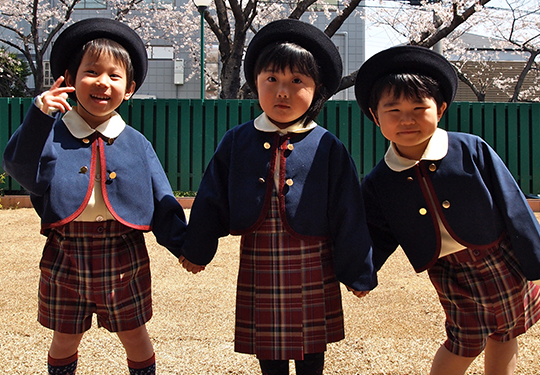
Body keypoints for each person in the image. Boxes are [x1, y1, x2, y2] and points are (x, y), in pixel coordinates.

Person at [180, 19, 376, 375]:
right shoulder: (237, 140)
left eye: (297, 81)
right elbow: (211, 197)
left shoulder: (328, 147)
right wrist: (197, 249)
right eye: (272, 79)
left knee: (311, 348)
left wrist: (358, 271)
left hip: (314, 260)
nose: (282, 92)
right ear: (255, 83)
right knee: (267, 347)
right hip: (261, 255)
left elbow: (349, 211)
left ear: (317, 91)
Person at [3, 18, 187, 375]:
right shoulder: (51, 134)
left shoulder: (136, 142)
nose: (102, 82)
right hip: (66, 250)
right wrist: (39, 117)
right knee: (65, 336)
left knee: (134, 334)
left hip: (124, 249)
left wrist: (185, 247)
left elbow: (162, 197)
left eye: (114, 76)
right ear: (70, 80)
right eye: (91, 72)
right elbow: (20, 167)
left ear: (129, 88)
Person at [354, 44, 540, 375]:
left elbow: (511, 201)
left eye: (418, 107)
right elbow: (377, 235)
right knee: (463, 340)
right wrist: (363, 274)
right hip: (447, 270)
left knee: (506, 331)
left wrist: (535, 253)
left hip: (500, 256)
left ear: (439, 110)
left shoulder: (470, 149)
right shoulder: (379, 181)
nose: (406, 119)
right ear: (374, 115)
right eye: (393, 111)